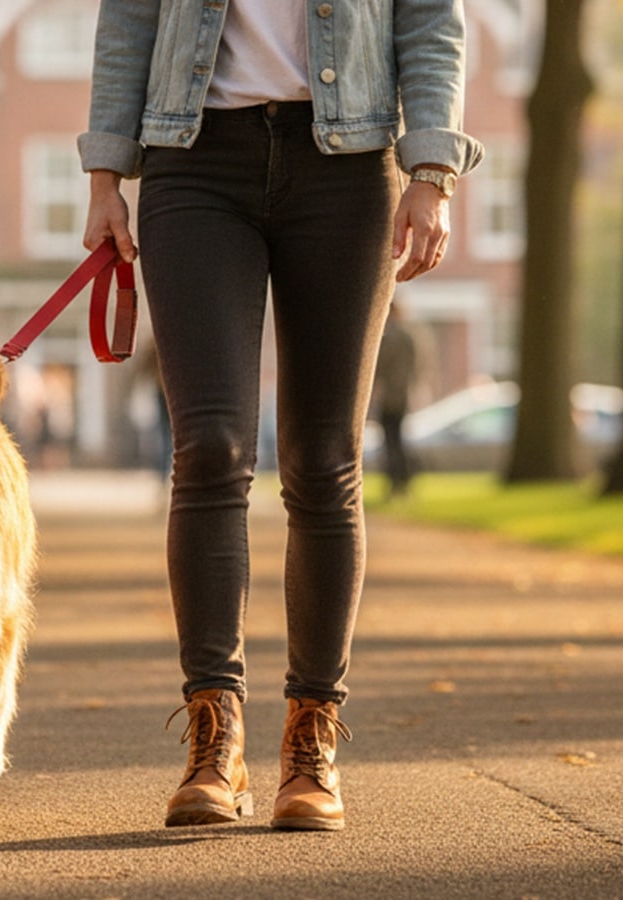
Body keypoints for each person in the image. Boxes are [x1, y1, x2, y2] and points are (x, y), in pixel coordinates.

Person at [80, 0, 482, 832]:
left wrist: (432, 172)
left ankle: (311, 740)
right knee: (211, 447)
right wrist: (106, 176)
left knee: (325, 459)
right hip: (193, 159)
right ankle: (214, 736)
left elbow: (431, 20)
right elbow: (128, 17)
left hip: (348, 161)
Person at [371, 302, 421, 499]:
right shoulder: (410, 335)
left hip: (389, 397)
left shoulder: (389, 336)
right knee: (398, 440)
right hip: (402, 395)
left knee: (391, 441)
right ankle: (403, 482)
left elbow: (379, 365)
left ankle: (395, 483)